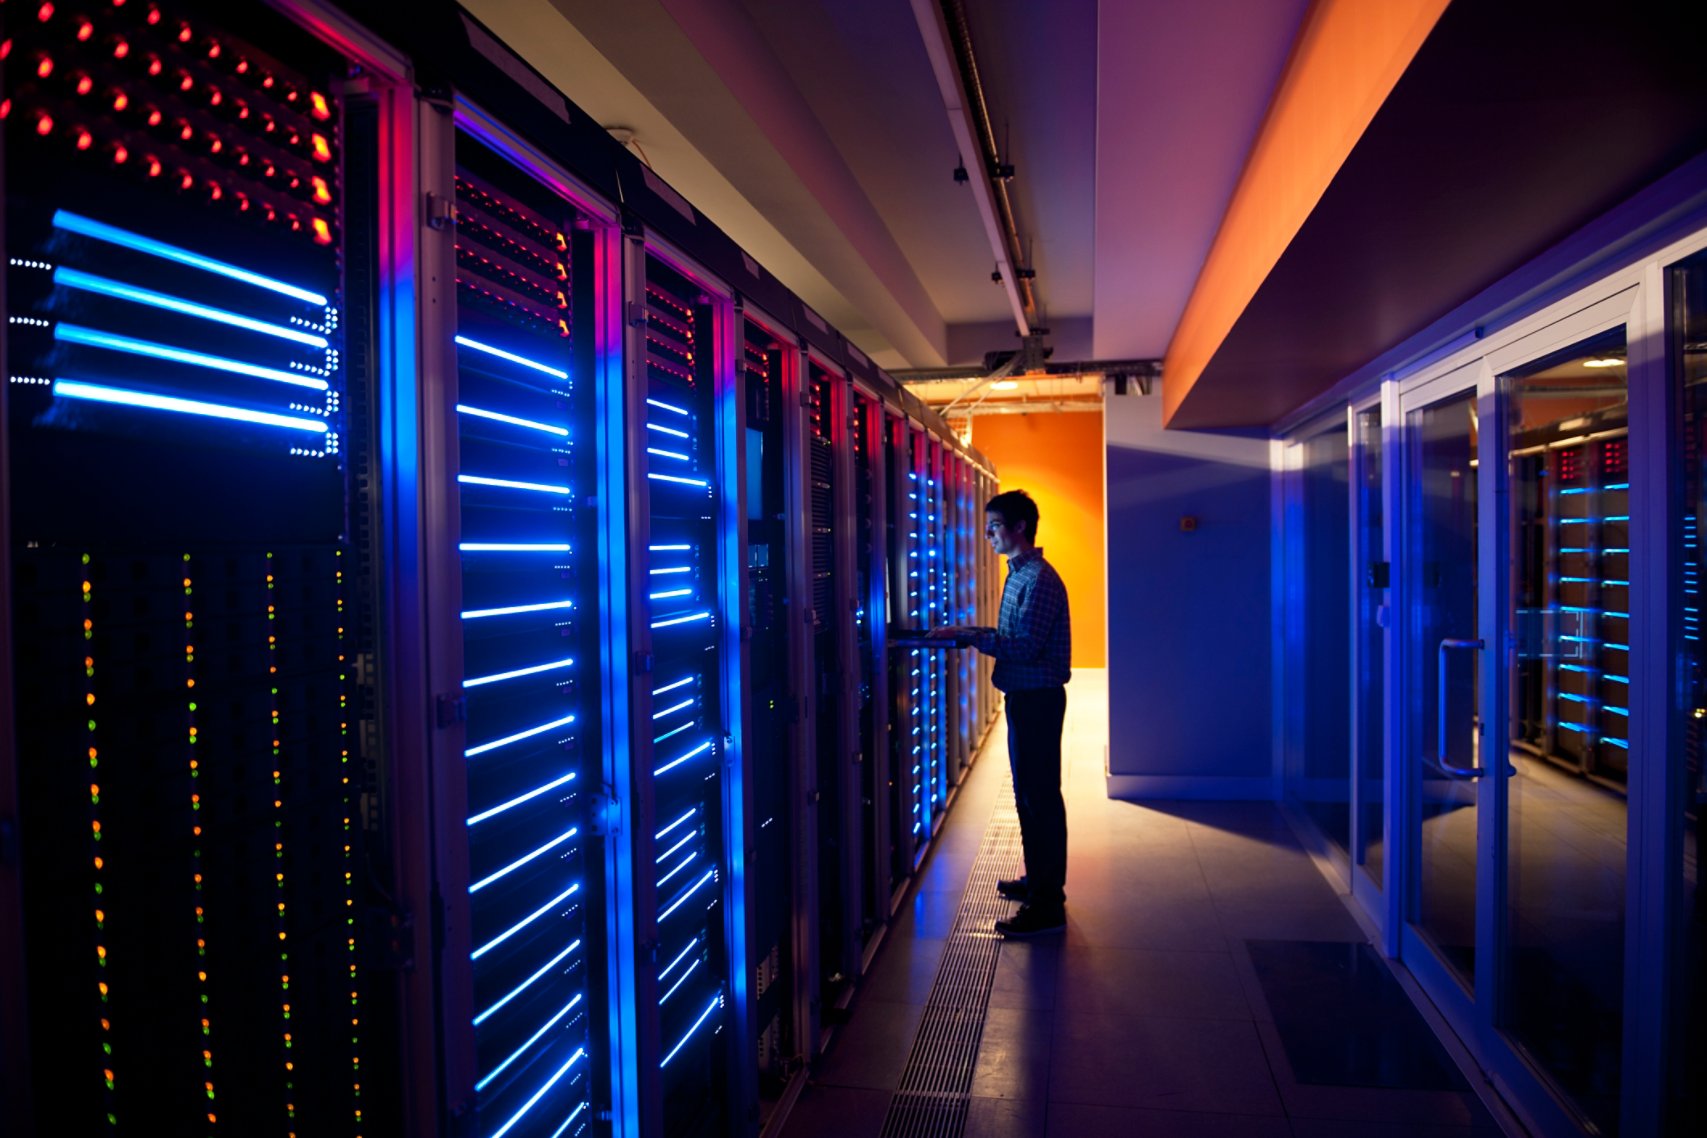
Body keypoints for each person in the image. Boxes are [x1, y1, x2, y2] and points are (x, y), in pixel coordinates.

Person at [929, 488, 1070, 937]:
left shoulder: (1038, 580)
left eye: (993, 527)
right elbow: (1013, 636)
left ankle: (1048, 904)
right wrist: (965, 630)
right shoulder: (1019, 574)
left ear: (1019, 527)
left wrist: (971, 637)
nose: (987, 535)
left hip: (1037, 700)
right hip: (1025, 698)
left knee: (1039, 797)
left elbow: (1024, 647)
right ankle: (1039, 881)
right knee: (1029, 795)